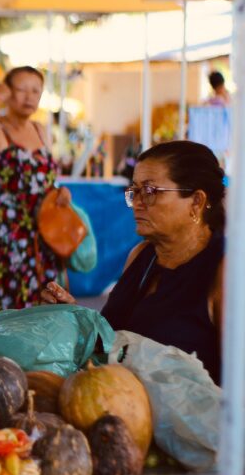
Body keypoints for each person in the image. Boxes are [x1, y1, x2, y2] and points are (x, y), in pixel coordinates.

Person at [43, 141, 225, 384]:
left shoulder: (226, 271)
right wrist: (76, 313)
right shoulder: (141, 255)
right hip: (120, 404)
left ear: (197, 202)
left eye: (150, 192)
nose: (137, 203)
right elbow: (114, 340)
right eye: (135, 192)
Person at [0, 66, 70, 317]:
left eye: (35, 91)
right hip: (7, 236)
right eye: (21, 90)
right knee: (11, 311)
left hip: (44, 234)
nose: (29, 97)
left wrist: (60, 191)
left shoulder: (40, 130)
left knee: (47, 305)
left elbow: (43, 179)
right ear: (7, 92)